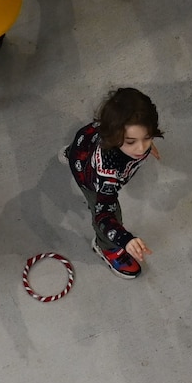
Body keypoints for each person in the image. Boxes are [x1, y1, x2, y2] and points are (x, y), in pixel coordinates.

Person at [65, 87, 162, 278]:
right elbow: (104, 215)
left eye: (147, 137)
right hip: (90, 180)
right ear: (114, 135)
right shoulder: (107, 176)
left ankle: (70, 154)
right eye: (131, 141)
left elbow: (138, 140)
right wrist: (124, 239)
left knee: (79, 150)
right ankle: (106, 247)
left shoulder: (114, 126)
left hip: (85, 141)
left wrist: (143, 142)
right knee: (112, 213)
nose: (141, 148)